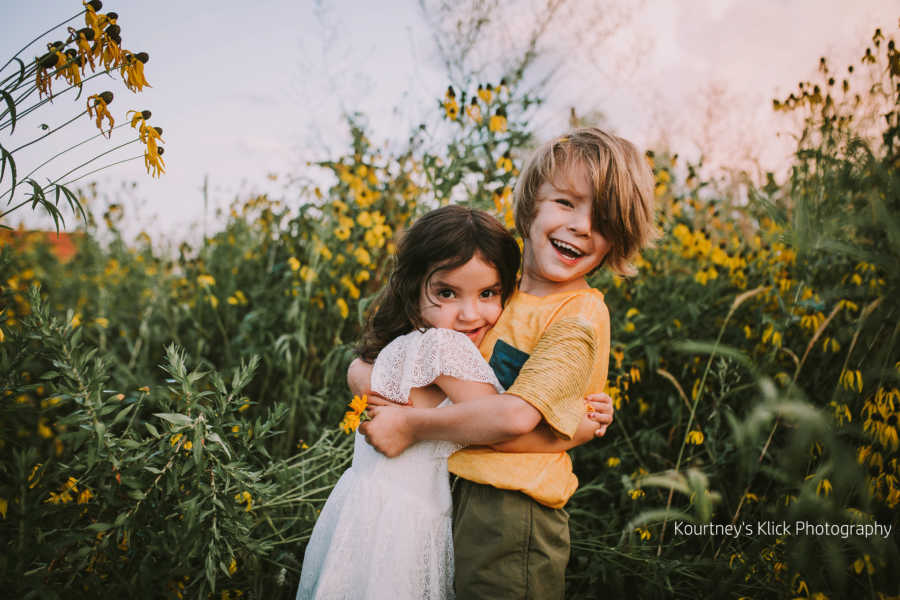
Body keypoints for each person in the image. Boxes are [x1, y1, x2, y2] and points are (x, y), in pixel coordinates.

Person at [354, 127, 658, 599]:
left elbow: (517, 419)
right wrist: (370, 382)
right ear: (531, 203)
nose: (581, 225)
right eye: (566, 203)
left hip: (513, 512)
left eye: (603, 219)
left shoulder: (578, 315)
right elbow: (396, 359)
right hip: (451, 491)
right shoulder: (494, 293)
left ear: (619, 239)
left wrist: (411, 425)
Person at [297, 206, 610, 600]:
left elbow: (360, 370)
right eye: (447, 293)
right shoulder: (445, 349)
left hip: (364, 520)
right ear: (413, 291)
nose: (469, 314)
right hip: (406, 529)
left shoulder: (403, 345)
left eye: (488, 294)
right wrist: (579, 428)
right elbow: (502, 425)